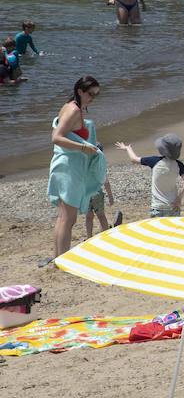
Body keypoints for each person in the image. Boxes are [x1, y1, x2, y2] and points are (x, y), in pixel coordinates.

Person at [47, 76, 106, 263]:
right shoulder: (73, 110)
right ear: (80, 91)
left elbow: (58, 129)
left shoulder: (70, 106)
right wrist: (83, 147)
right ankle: (62, 259)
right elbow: (56, 137)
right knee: (68, 218)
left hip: (63, 165)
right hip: (69, 168)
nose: (92, 98)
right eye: (90, 94)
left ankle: (58, 257)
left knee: (63, 216)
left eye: (96, 95)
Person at [115, 134, 184, 218]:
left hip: (157, 206)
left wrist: (128, 148)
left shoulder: (155, 161)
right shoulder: (179, 164)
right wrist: (179, 198)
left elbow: (134, 159)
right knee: (172, 230)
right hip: (173, 205)